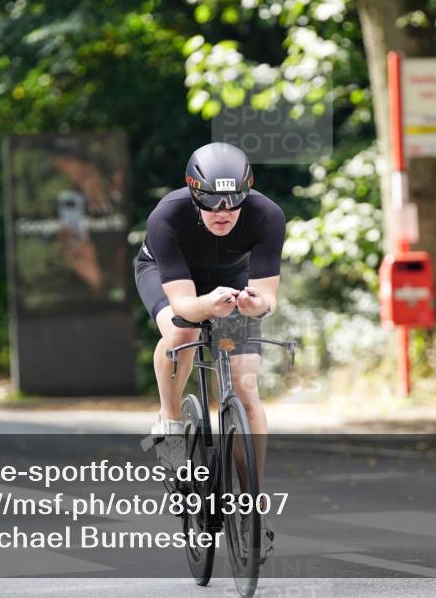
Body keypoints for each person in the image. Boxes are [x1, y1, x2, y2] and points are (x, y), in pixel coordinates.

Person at [134, 142, 284, 561]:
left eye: (233, 204)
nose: (223, 212)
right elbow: (184, 306)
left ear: (246, 195)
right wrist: (205, 309)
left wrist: (257, 305)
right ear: (194, 194)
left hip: (231, 283)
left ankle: (251, 505)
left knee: (246, 383)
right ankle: (171, 421)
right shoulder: (167, 215)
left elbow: (268, 296)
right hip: (170, 280)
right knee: (181, 335)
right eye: (211, 203)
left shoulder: (267, 215)